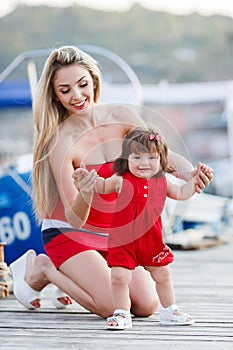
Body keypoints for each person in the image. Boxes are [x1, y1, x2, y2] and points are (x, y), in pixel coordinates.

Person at [10, 45, 213, 318]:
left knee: (146, 305)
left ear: (94, 81)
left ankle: (79, 278)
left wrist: (190, 174)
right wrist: (86, 192)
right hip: (70, 232)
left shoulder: (123, 116)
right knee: (112, 307)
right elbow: (75, 216)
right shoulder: (61, 142)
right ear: (55, 96)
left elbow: (162, 155)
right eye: (65, 90)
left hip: (116, 231)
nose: (78, 96)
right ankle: (46, 269)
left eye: (82, 84)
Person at [74, 126, 210, 329]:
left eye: (151, 158)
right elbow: (102, 186)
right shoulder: (120, 179)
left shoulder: (163, 180)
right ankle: (121, 313)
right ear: (126, 159)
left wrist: (196, 179)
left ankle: (169, 309)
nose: (144, 164)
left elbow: (182, 192)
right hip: (124, 241)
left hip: (151, 241)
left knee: (163, 275)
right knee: (119, 277)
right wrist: (87, 180)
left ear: (162, 160)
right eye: (137, 158)